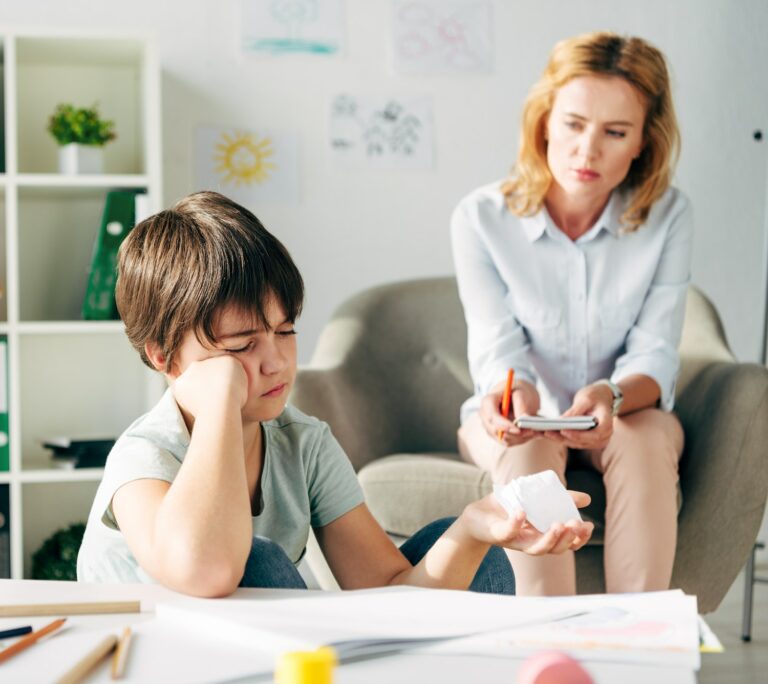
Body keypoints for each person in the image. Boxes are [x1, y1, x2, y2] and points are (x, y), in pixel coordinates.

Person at [77, 190, 593, 597]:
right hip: (158, 661)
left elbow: (390, 590)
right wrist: (218, 404)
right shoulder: (144, 456)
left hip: (266, 656)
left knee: (471, 555)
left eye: (285, 331)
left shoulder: (303, 443)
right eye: (240, 346)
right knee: (255, 563)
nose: (276, 361)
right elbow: (207, 571)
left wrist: (474, 530)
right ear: (163, 356)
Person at [451, 31, 692, 596]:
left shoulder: (669, 215)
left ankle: (639, 643)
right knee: (529, 450)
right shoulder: (480, 218)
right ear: (544, 122)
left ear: (642, 142)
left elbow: (655, 351)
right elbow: (496, 347)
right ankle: (546, 654)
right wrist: (519, 397)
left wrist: (608, 395)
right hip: (519, 419)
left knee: (643, 438)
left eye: (615, 132)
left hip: (624, 411)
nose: (588, 151)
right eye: (574, 124)